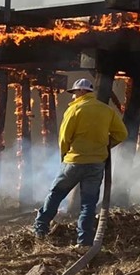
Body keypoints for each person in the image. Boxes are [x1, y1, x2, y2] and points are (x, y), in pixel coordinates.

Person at [34, 78, 128, 247]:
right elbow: (121, 134)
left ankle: (40, 230)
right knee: (88, 204)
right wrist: (106, 147)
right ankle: (84, 242)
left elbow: (64, 138)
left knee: (56, 194)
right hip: (96, 164)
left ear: (83, 92)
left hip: (74, 161)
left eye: (75, 93)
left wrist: (64, 155)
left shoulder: (74, 110)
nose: (73, 96)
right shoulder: (107, 111)